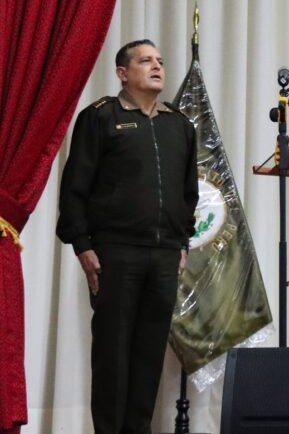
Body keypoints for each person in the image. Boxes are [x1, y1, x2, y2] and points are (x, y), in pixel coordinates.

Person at [57, 39, 198, 434]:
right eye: (145, 60)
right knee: (112, 356)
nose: (157, 66)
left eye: (160, 60)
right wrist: (83, 246)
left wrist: (181, 243)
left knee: (149, 356)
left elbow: (189, 194)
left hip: (165, 256)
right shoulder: (100, 117)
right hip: (115, 254)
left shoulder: (179, 125)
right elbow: (74, 189)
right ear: (122, 73)